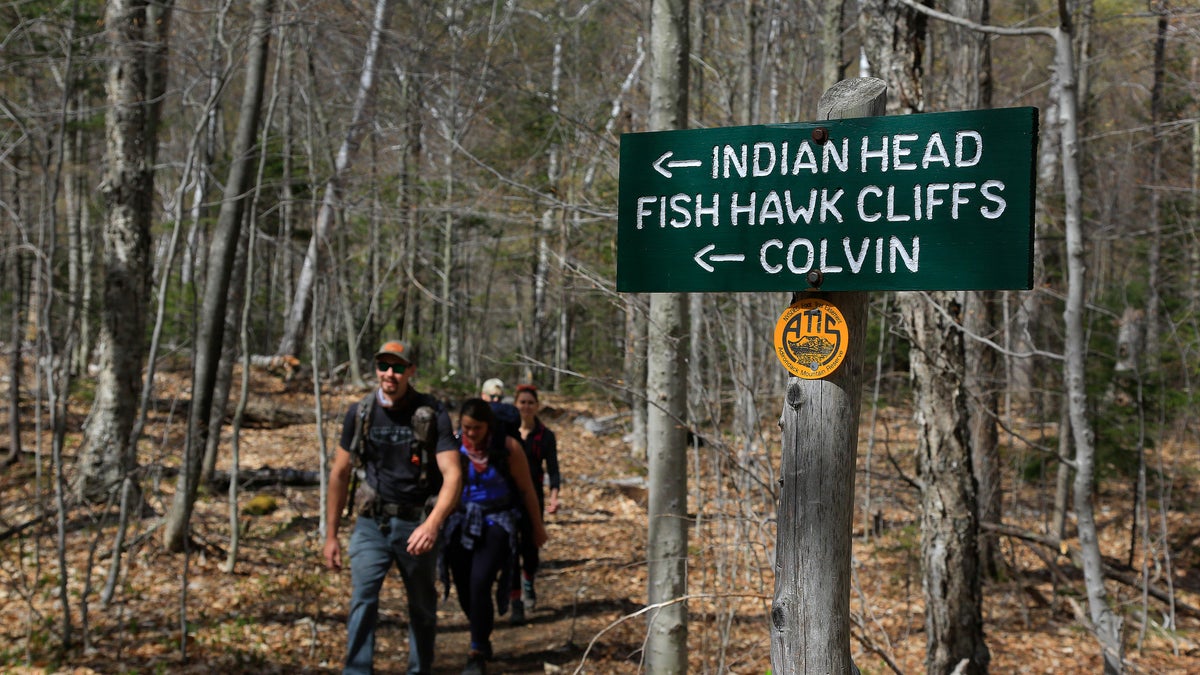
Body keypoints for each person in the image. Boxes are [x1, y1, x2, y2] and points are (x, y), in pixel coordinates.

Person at [324, 341, 464, 675]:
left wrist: (432, 524)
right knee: (363, 598)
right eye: (384, 366)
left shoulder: (432, 413)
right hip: (372, 523)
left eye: (398, 367)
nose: (390, 374)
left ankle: (420, 669)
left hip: (416, 523)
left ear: (411, 371)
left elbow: (453, 474)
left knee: (421, 607)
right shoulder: (361, 412)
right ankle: (357, 671)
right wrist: (330, 535)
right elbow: (339, 473)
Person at [443, 398, 548, 675]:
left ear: (488, 426)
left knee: (480, 582)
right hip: (460, 521)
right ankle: (481, 630)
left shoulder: (508, 449)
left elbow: (527, 491)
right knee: (464, 587)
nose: (471, 434)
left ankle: (476, 649)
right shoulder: (453, 446)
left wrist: (537, 528)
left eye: (476, 428)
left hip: (497, 522)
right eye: (466, 427)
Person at [508, 383, 560, 625]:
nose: (526, 407)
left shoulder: (545, 436)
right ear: (516, 405)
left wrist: (554, 496)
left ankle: (528, 582)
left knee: (530, 548)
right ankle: (515, 600)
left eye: (530, 403)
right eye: (522, 402)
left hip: (534, 497)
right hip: (508, 498)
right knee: (509, 549)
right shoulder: (507, 434)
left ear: (537, 406)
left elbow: (553, 468)